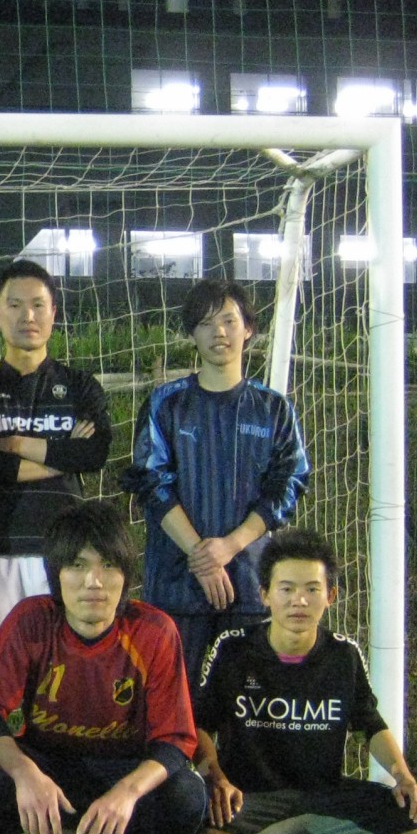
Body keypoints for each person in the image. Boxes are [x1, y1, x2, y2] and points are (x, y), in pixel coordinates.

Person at [0, 499, 207, 834]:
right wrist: (25, 773)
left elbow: (175, 740)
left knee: (188, 795)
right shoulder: (32, 620)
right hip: (48, 774)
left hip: (119, 774)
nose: (94, 581)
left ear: (126, 574)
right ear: (56, 574)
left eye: (108, 565)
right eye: (77, 565)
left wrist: (127, 792)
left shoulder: (153, 631)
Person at [194, 527, 417, 834]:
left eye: (312, 589)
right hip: (251, 799)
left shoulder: (343, 656)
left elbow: (370, 725)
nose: (299, 600)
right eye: (287, 589)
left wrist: (404, 777)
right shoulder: (234, 650)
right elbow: (200, 725)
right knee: (194, 815)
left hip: (323, 795)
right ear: (265, 594)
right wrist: (216, 777)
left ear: (331, 596)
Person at [122, 277, 309, 686]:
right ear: (192, 334)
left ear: (249, 329)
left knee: (247, 705)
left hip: (249, 585)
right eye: (205, 323)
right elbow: (151, 483)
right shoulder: (165, 404)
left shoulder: (273, 409)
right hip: (176, 585)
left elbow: (287, 485)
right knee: (173, 701)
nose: (218, 332)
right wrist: (201, 555)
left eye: (228, 320)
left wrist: (230, 546)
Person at [0, 259, 111, 674]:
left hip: (65, 554)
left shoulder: (79, 386)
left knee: (66, 677)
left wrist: (17, 444)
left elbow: (94, 454)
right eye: (15, 305)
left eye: (38, 305)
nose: (28, 316)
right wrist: (62, 455)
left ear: (53, 313)